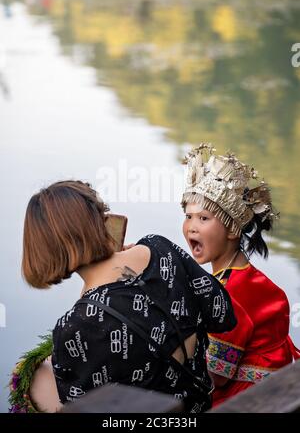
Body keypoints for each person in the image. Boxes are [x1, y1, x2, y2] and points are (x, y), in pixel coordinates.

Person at [9, 180, 236, 413]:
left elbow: (84, 406)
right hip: (198, 405)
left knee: (35, 377)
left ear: (45, 249)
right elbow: (223, 315)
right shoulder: (159, 247)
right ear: (101, 219)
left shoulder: (75, 326)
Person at [181, 143, 300, 407]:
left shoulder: (227, 292)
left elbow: (216, 376)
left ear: (233, 229)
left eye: (203, 218)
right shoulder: (250, 278)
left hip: (248, 402)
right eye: (188, 216)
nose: (191, 227)